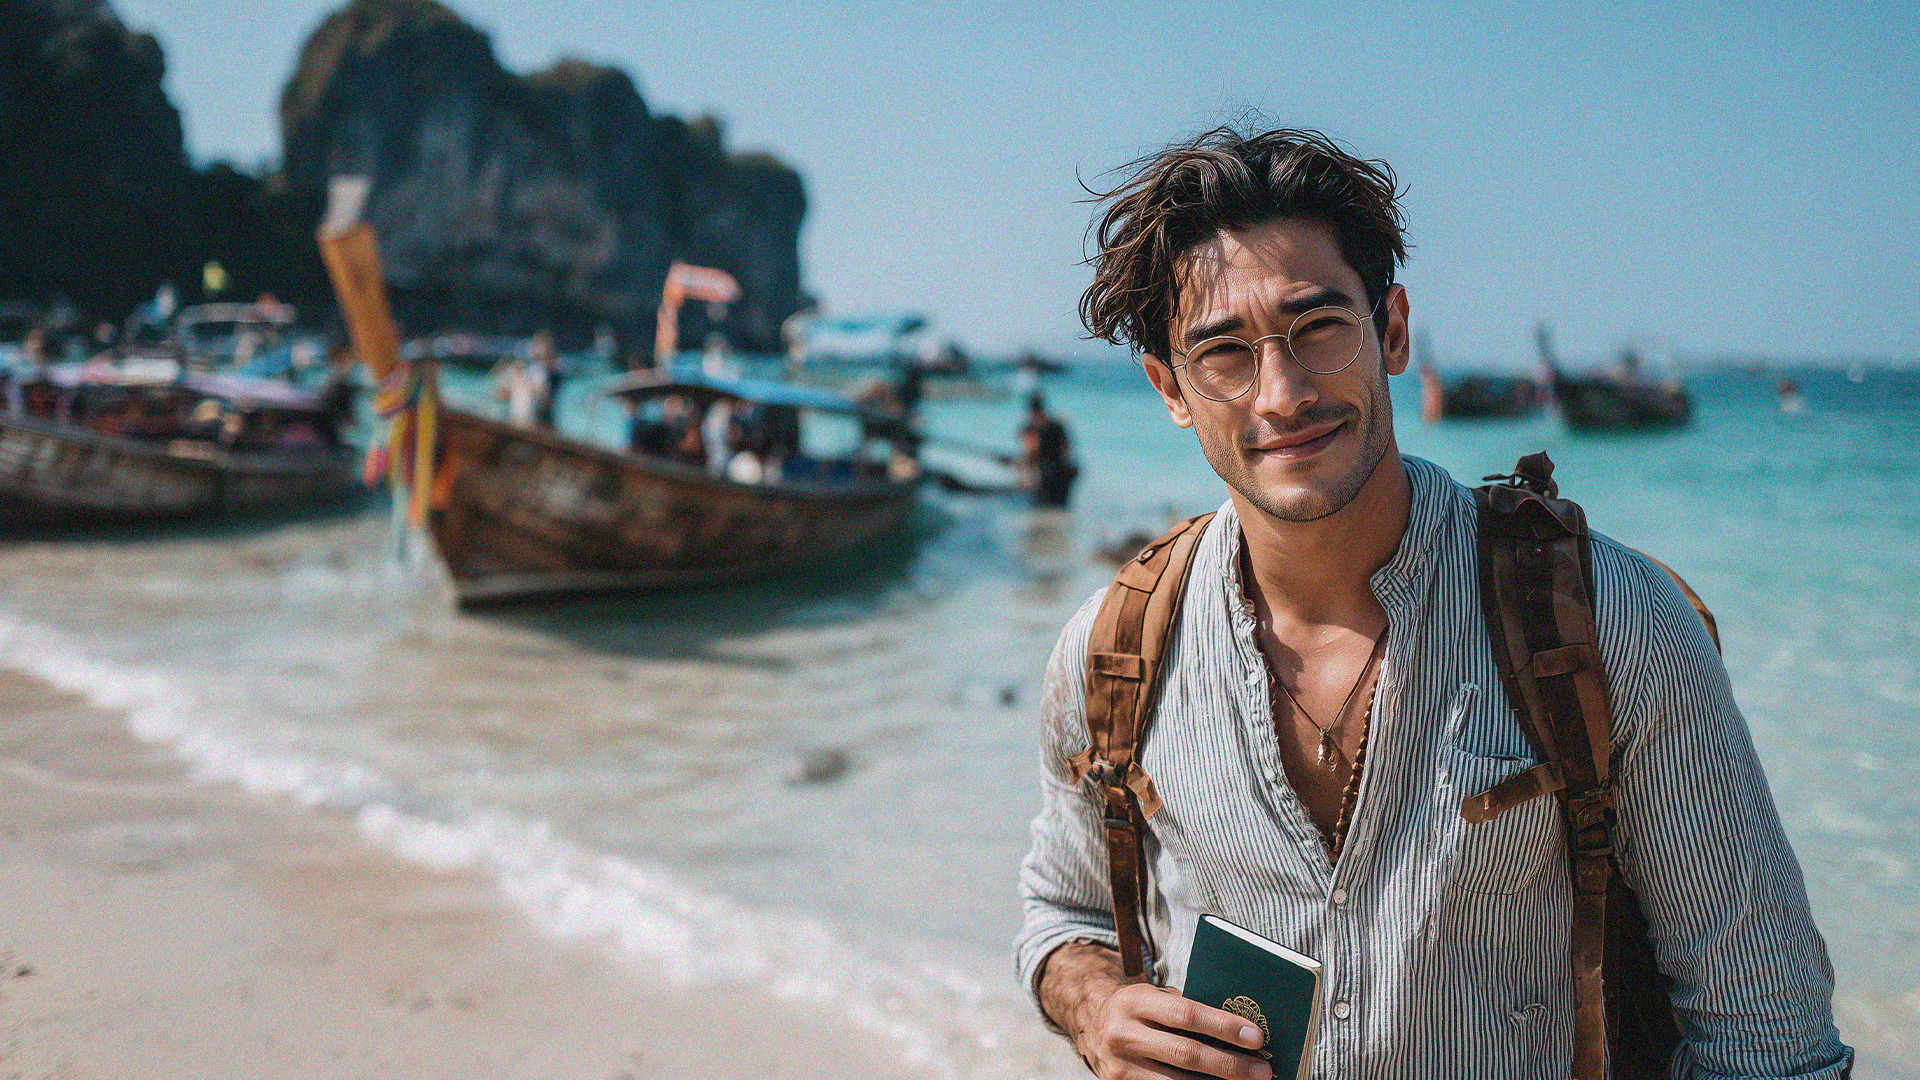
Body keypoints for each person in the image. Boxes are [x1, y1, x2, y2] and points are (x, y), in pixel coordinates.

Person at [1015, 127, 1849, 1080]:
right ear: (1169, 387)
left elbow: (1767, 1034)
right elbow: (1062, 915)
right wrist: (1096, 1007)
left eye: (1319, 325)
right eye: (1223, 353)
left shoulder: (1611, 625)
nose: (1281, 393)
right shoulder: (1112, 654)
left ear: (1393, 330)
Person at [1020, 392, 1077, 508]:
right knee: (1061, 511)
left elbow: (1032, 452)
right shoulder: (1056, 423)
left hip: (1045, 476)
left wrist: (1025, 476)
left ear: (1030, 408)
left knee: (1043, 512)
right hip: (1062, 474)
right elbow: (1066, 447)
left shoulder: (1030, 427)